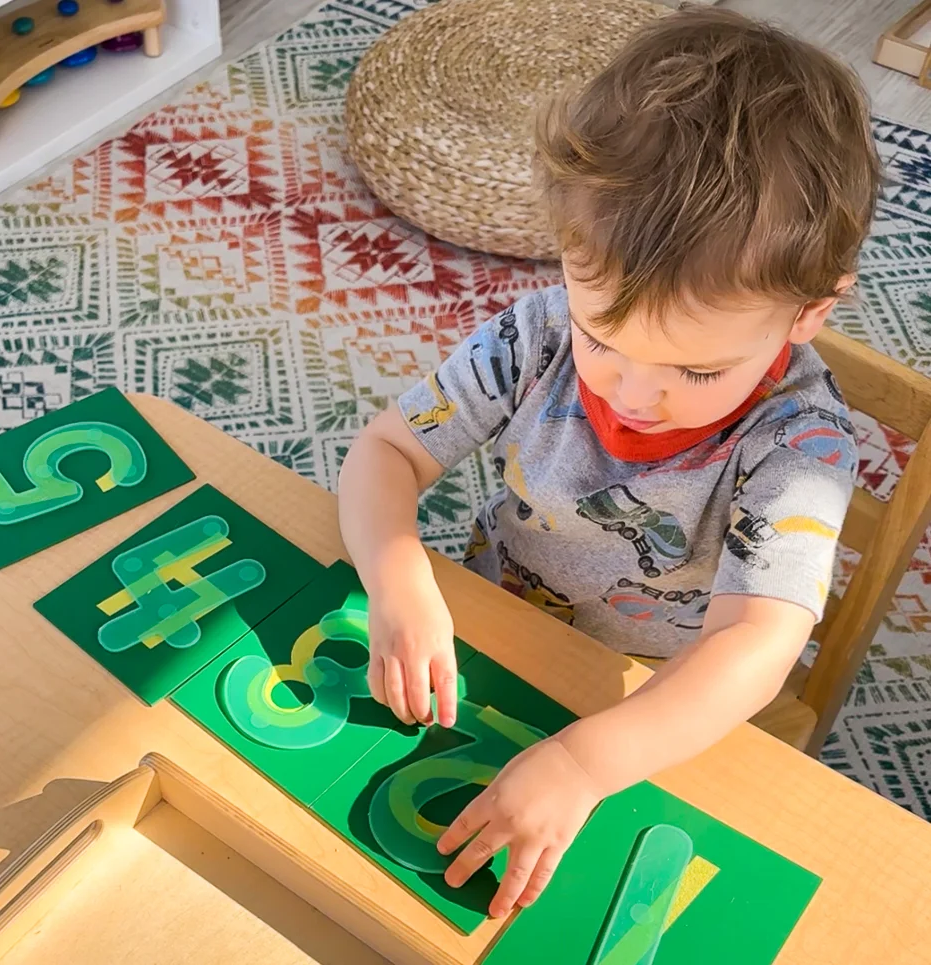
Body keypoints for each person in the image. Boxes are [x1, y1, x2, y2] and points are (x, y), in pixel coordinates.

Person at [338, 6, 881, 920]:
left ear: (808, 314)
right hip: (498, 625)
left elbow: (757, 646)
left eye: (697, 368)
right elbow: (387, 448)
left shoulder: (801, 449)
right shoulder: (542, 329)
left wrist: (588, 759)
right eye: (604, 339)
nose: (633, 394)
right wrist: (397, 581)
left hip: (655, 708)